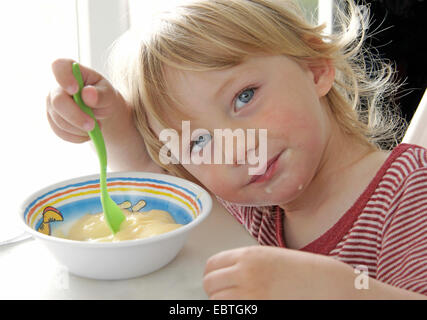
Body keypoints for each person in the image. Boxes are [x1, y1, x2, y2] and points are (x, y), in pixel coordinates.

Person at [46, 0, 427, 299]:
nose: (237, 150)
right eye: (197, 141)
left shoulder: (410, 192)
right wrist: (108, 122)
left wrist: (342, 291)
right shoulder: (254, 203)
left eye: (244, 97)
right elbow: (150, 172)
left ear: (315, 69)